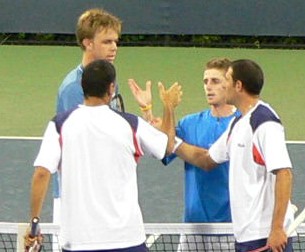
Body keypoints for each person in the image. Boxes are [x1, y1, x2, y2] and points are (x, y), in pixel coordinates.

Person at [25, 59, 182, 252]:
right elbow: (167, 146)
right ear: (111, 88)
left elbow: (41, 174)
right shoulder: (131, 124)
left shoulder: (59, 124)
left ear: (83, 87)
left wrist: (34, 224)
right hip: (127, 241)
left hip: (78, 243)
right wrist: (168, 107)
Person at [173, 59, 295, 252]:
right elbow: (205, 160)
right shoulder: (237, 124)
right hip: (245, 235)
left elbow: (284, 173)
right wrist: (171, 142)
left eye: (226, 80)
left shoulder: (264, 122)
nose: (223, 85)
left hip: (265, 235)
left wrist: (278, 228)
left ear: (238, 86)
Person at [128, 58, 239, 251]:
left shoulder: (242, 123)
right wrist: (151, 110)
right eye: (205, 81)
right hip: (192, 228)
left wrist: (177, 143)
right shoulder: (190, 123)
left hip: (230, 228)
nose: (208, 87)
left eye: (215, 81)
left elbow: (204, 157)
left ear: (230, 84)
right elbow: (163, 145)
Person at [53, 8, 122, 224]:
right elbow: (71, 147)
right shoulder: (74, 88)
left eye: (115, 42)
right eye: (107, 42)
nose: (114, 48)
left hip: (102, 193)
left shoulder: (109, 78)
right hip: (77, 199)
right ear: (87, 43)